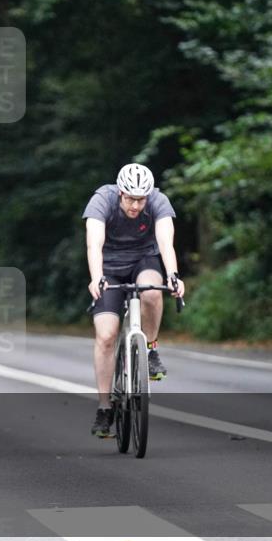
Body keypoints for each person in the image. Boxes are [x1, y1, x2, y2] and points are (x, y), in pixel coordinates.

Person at [83, 163, 185, 438]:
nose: (135, 205)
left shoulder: (158, 202)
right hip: (110, 268)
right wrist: (96, 277)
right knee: (106, 336)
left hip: (144, 259)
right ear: (120, 193)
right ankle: (105, 408)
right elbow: (94, 244)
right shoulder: (102, 200)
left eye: (141, 199)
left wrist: (174, 276)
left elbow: (166, 243)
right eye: (129, 198)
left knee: (152, 292)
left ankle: (150, 350)